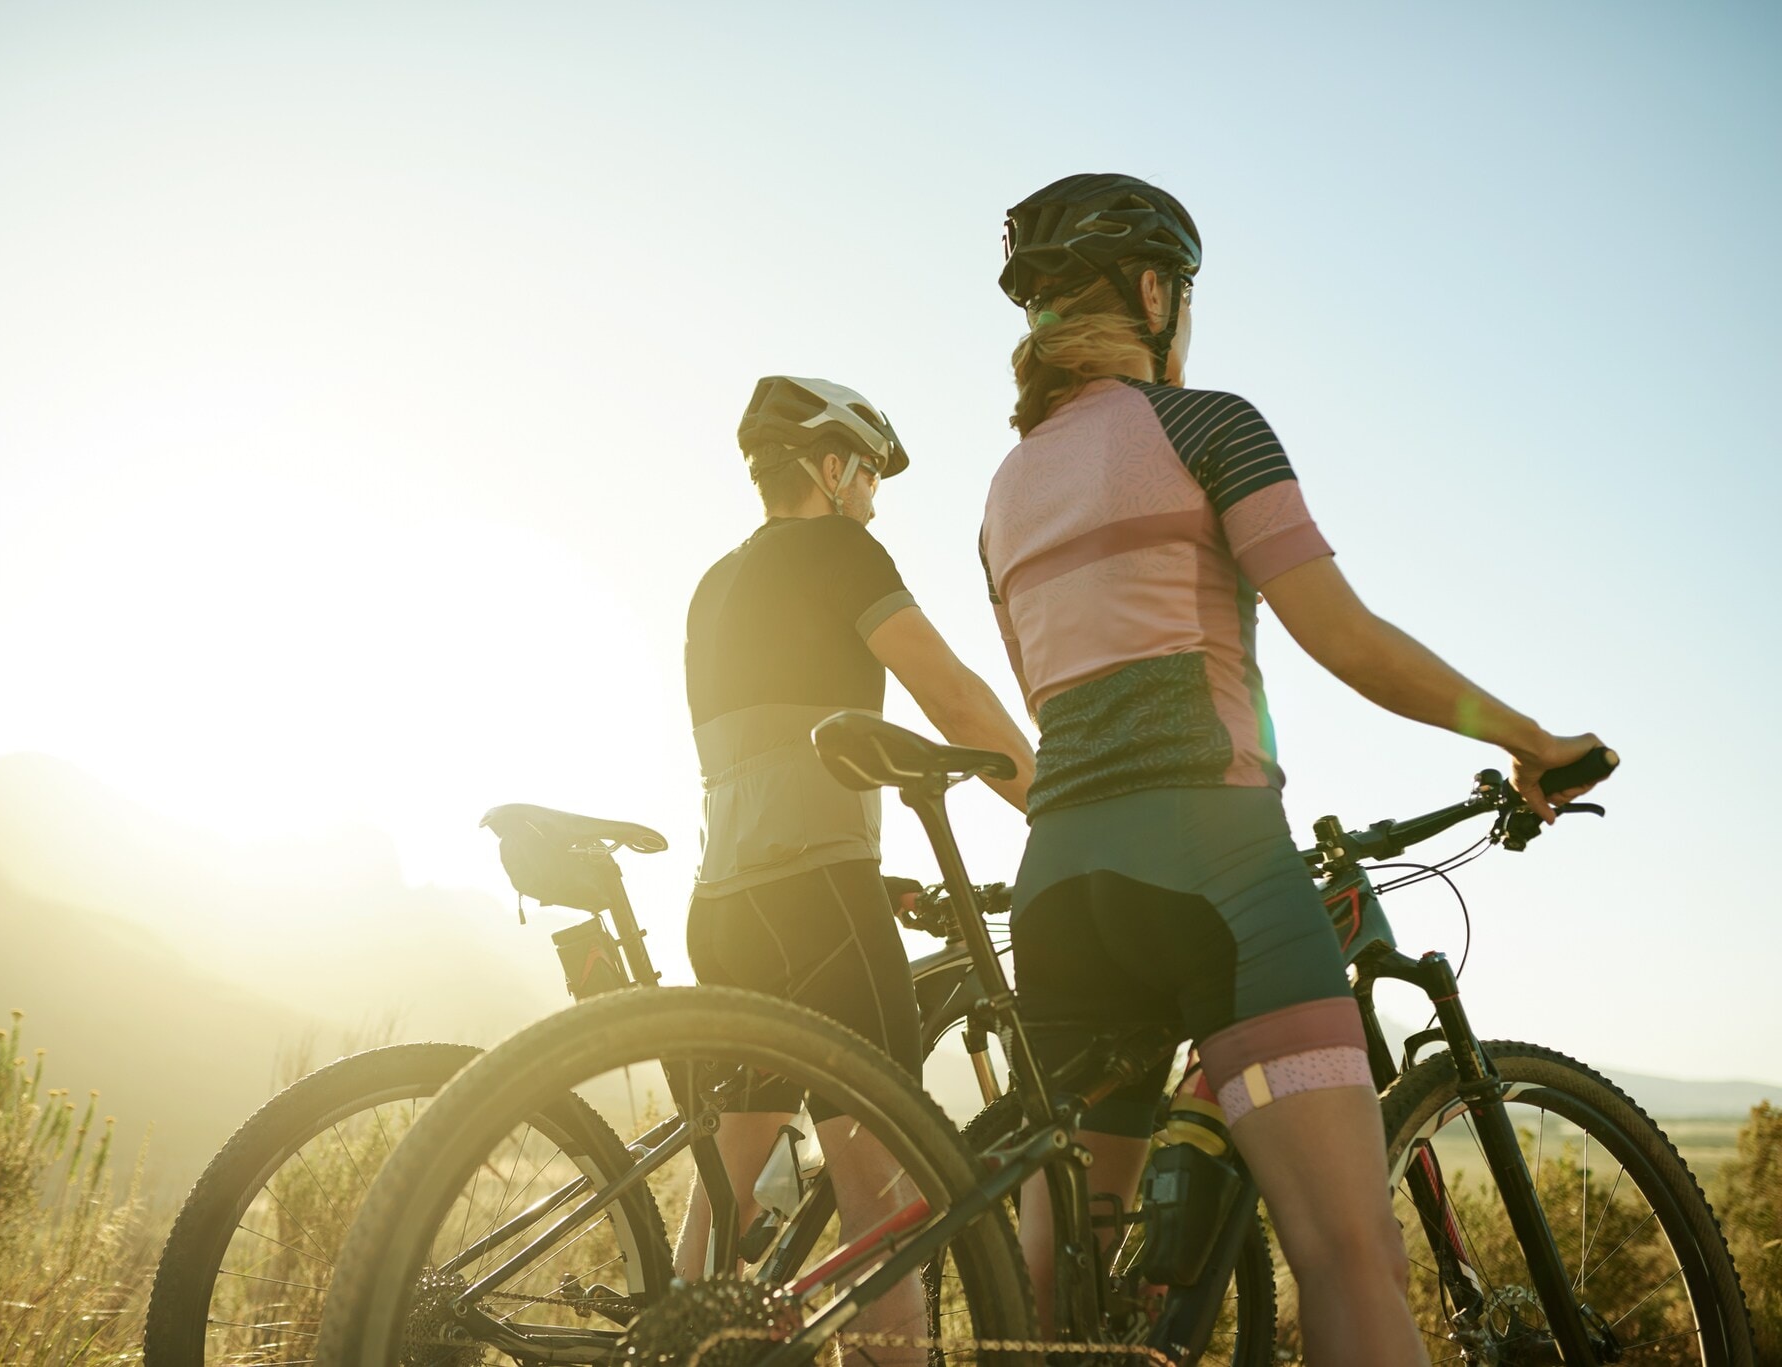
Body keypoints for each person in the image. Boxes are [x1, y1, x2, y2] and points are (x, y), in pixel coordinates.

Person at [979, 174, 1606, 1365]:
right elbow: (1345, 639)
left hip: (1058, 885)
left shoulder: (1001, 495)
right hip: (1212, 866)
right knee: (1346, 1251)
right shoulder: (1208, 424)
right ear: (1155, 293)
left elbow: (1049, 705)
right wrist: (1531, 739)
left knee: (1056, 1303)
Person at [678, 375, 1036, 1358]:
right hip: (817, 894)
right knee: (885, 1194)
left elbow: (759, 756)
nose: (874, 492)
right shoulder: (841, 546)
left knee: (720, 1192)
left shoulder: (714, 582)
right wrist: (1053, 806)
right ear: (828, 468)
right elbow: (953, 697)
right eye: (868, 470)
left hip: (724, 901)